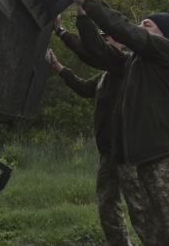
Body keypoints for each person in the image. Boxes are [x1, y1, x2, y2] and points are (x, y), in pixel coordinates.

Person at [68, 0, 169, 246]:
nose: (139, 27)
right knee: (154, 236)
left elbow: (123, 29)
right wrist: (82, 12)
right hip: (144, 162)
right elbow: (97, 49)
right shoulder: (131, 63)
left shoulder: (167, 52)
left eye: (147, 24)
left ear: (163, 35)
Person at [49, 13, 137, 246]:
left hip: (128, 151)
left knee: (140, 206)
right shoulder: (105, 77)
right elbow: (84, 88)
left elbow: (90, 51)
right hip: (108, 153)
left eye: (107, 37)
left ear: (120, 42)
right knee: (107, 205)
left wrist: (62, 32)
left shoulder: (127, 64)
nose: (103, 41)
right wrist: (58, 67)